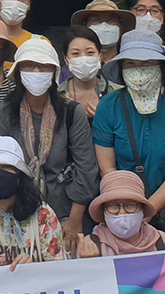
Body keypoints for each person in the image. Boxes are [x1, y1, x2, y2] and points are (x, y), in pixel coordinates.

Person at [93, 31, 165, 249]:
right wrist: (130, 209)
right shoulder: (108, 106)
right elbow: (107, 168)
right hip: (123, 211)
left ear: (161, 67)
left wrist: (148, 210)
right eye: (131, 63)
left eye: (147, 63)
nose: (139, 69)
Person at [6, 35, 97, 244]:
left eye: (44, 67)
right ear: (18, 71)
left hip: (65, 214)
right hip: (15, 215)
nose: (36, 72)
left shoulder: (71, 112)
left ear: (54, 72)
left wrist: (74, 221)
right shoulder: (4, 113)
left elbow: (86, 168)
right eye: (29, 66)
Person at [0, 135, 71, 267]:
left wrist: (34, 268)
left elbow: (58, 270)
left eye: (6, 167)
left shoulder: (43, 215)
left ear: (19, 175)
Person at [70, 0, 135, 71]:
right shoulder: (76, 66)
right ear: (86, 27)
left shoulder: (130, 65)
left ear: (121, 28)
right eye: (96, 20)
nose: (104, 25)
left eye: (111, 20)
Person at [61, 28, 111, 115]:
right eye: (76, 54)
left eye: (90, 52)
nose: (83, 58)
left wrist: (103, 119)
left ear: (100, 57)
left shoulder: (116, 93)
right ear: (66, 60)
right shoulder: (57, 95)